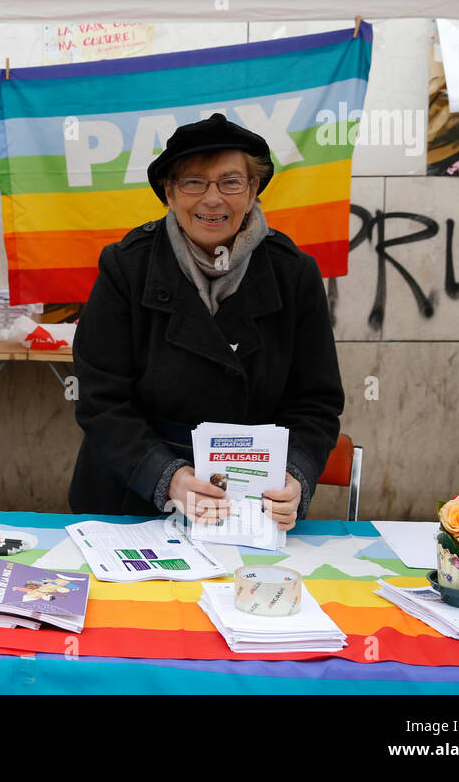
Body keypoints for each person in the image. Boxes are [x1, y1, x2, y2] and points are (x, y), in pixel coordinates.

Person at [68, 113, 344, 530]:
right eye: (194, 182)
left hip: (250, 506)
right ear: (169, 192)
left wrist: (294, 476)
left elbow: (315, 404)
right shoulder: (127, 266)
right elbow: (101, 400)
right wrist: (170, 479)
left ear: (252, 191)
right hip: (132, 498)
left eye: (231, 182)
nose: (212, 199)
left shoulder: (294, 274)